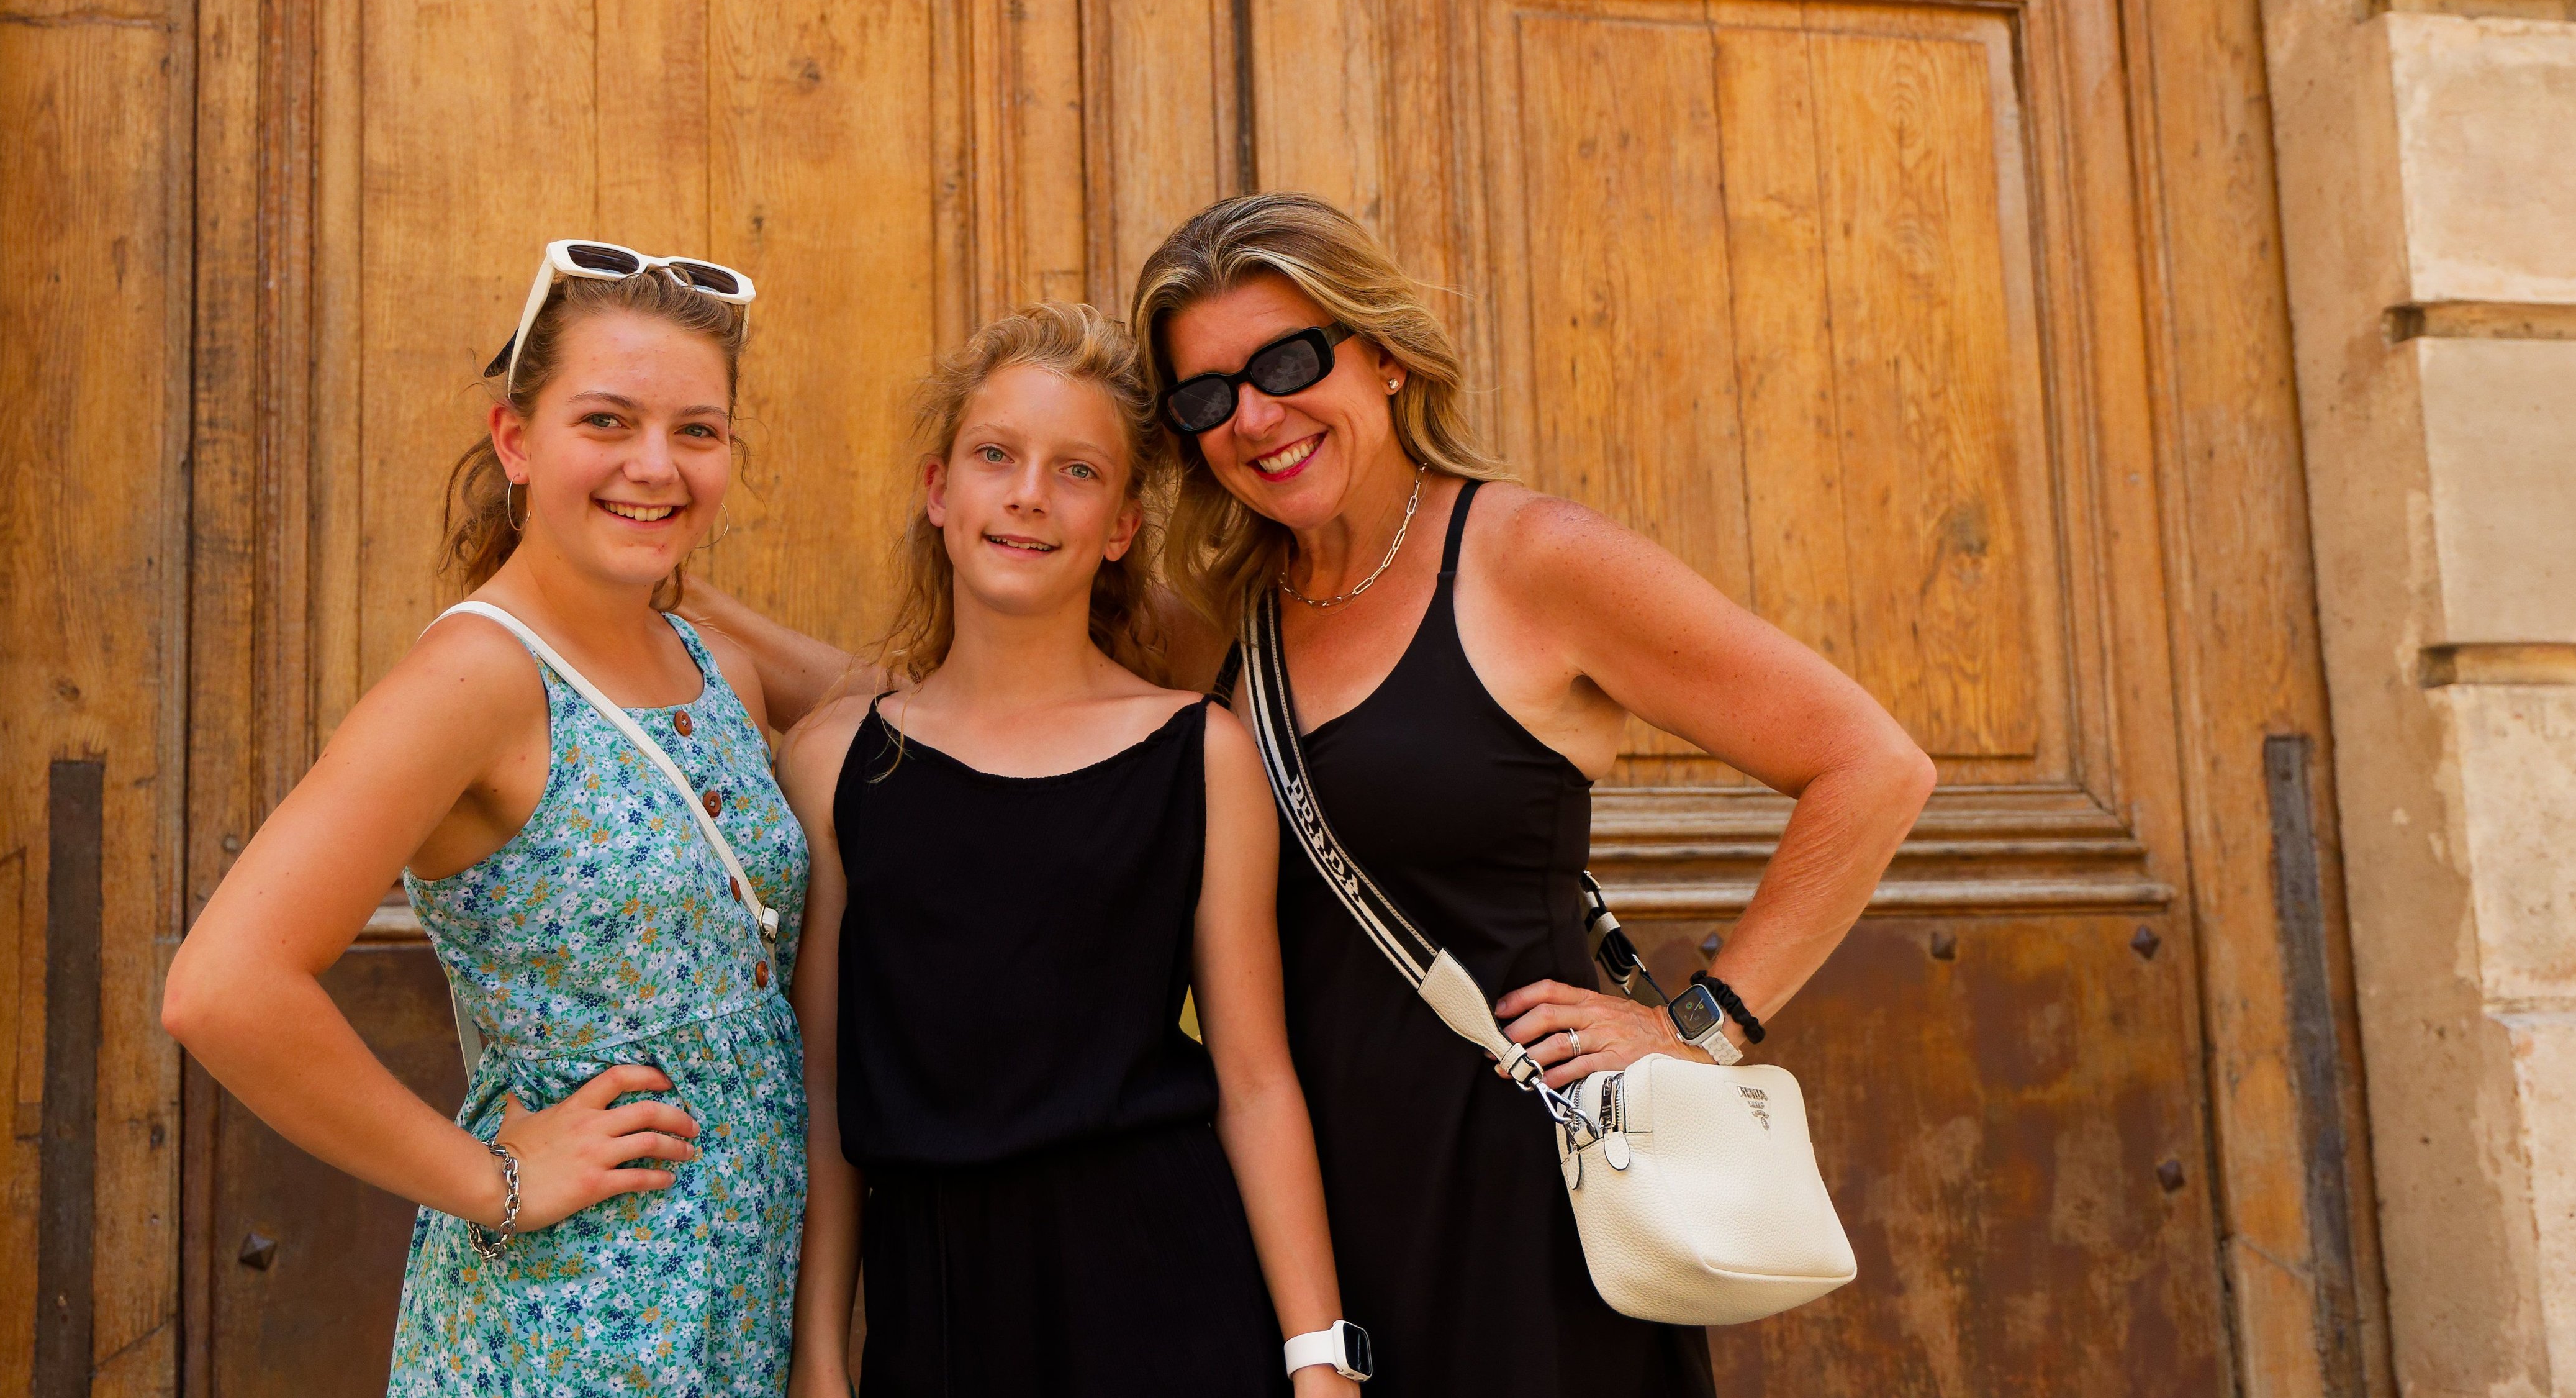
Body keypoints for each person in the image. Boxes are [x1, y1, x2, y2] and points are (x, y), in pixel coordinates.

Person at [1124, 192, 1935, 1396]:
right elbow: (995, 699)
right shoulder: (1219, 625)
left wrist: (1703, 1020)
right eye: (1207, 395)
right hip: (1301, 1218)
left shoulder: (1528, 559)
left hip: (1520, 1194)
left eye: (1290, 360)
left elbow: (1870, 765)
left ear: (1385, 352)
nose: (1256, 415)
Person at [163, 244, 810, 1397]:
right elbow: (223, 986)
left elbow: (912, 704)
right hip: (575, 1316)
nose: (655, 465)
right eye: (606, 421)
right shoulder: (479, 677)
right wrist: (493, 1180)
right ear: (515, 438)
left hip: (738, 1294)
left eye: (698, 432)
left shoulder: (709, 660)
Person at [775, 304, 1365, 1398]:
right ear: (939, 489)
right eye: (996, 454)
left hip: (1169, 1294)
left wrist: (1319, 1360)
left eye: (1077, 470)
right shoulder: (838, 762)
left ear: (1123, 526)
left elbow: (1254, 1078)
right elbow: (821, 1092)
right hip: (936, 1309)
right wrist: (819, 1354)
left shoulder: (1200, 754)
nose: (1029, 493)